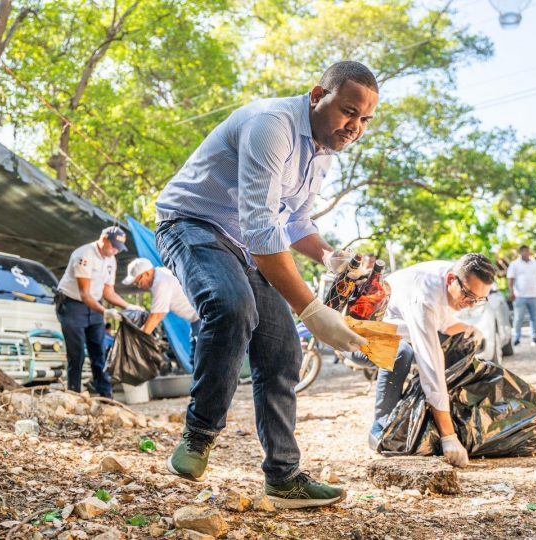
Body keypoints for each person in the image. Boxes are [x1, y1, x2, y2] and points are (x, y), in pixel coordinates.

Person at [155, 61, 378, 508]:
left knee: (282, 350)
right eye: (349, 111)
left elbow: (293, 220)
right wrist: (313, 312)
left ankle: (284, 477)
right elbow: (261, 228)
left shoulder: (322, 153)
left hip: (242, 243)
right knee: (232, 305)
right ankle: (199, 436)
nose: (355, 127)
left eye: (365, 120)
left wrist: (329, 256)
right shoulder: (270, 125)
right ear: (318, 95)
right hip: (191, 224)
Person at [363, 254, 496, 468]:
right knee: (401, 353)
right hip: (356, 334)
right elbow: (430, 366)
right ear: (451, 280)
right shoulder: (424, 296)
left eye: (479, 299)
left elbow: (445, 326)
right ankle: (382, 428)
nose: (471, 305)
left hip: (395, 327)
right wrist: (448, 437)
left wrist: (470, 329)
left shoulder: (451, 281)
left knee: (459, 339)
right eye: (469, 296)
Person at [55, 226, 134, 398]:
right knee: (77, 354)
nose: (115, 251)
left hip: (95, 305)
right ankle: (74, 394)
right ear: (104, 239)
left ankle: (106, 396)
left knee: (99, 351)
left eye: (118, 249)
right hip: (72, 305)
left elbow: (108, 292)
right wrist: (106, 312)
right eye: (113, 246)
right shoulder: (84, 255)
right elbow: (85, 294)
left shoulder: (111, 259)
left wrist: (128, 306)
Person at [122, 258, 201, 354]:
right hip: (196, 320)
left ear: (146, 274)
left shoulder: (161, 282)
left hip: (201, 319)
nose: (139, 286)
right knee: (196, 358)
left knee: (202, 358)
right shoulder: (161, 274)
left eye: (138, 282)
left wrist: (137, 342)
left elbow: (156, 316)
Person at [507, 245, 536, 346]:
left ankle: (535, 337)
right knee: (518, 318)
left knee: (535, 317)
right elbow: (511, 279)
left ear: (529, 252)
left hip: (535, 295)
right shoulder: (514, 264)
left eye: (527, 251)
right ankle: (517, 337)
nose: (526, 253)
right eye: (523, 251)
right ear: (520, 252)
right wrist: (511, 292)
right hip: (519, 296)